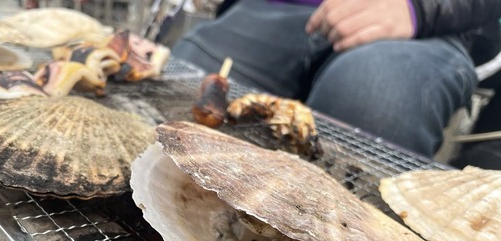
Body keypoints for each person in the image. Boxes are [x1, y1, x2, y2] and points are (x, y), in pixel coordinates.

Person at [171, 0, 501, 159]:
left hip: (424, 26)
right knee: (181, 83)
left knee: (374, 100)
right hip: (281, 7)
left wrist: (420, 9)